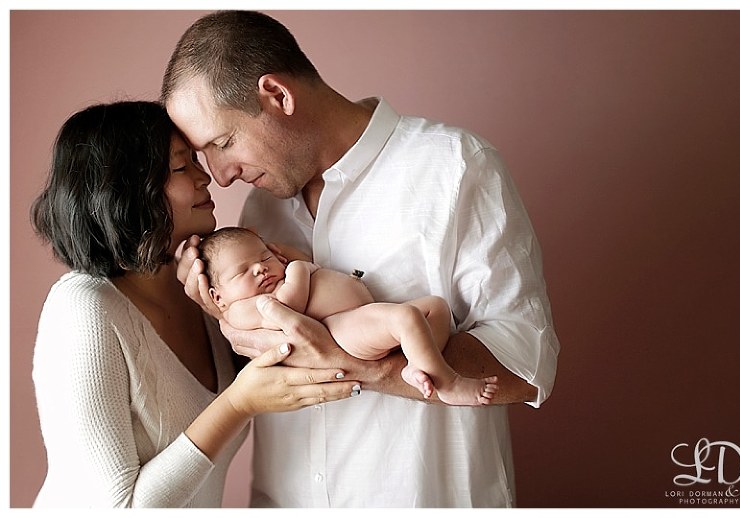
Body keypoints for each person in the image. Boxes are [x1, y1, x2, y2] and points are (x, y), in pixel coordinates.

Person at [162, 10, 560, 507]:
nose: (220, 177)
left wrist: (356, 362)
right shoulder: (260, 210)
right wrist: (218, 310)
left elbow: (526, 364)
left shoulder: (454, 167)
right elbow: (260, 370)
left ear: (278, 95)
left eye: (223, 143)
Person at [29, 101, 361, 508]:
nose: (208, 178)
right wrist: (238, 403)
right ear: (127, 187)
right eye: (183, 166)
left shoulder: (207, 297)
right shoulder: (83, 309)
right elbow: (118, 509)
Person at [200, 226, 499, 406]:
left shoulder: (279, 273)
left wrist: (285, 258)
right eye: (242, 271)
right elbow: (287, 306)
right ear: (217, 297)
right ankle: (447, 383)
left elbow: (294, 264)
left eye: (264, 257)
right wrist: (297, 269)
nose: (260, 269)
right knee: (406, 318)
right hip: (340, 329)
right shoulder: (240, 309)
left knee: (436, 308)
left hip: (357, 314)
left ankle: (416, 364)